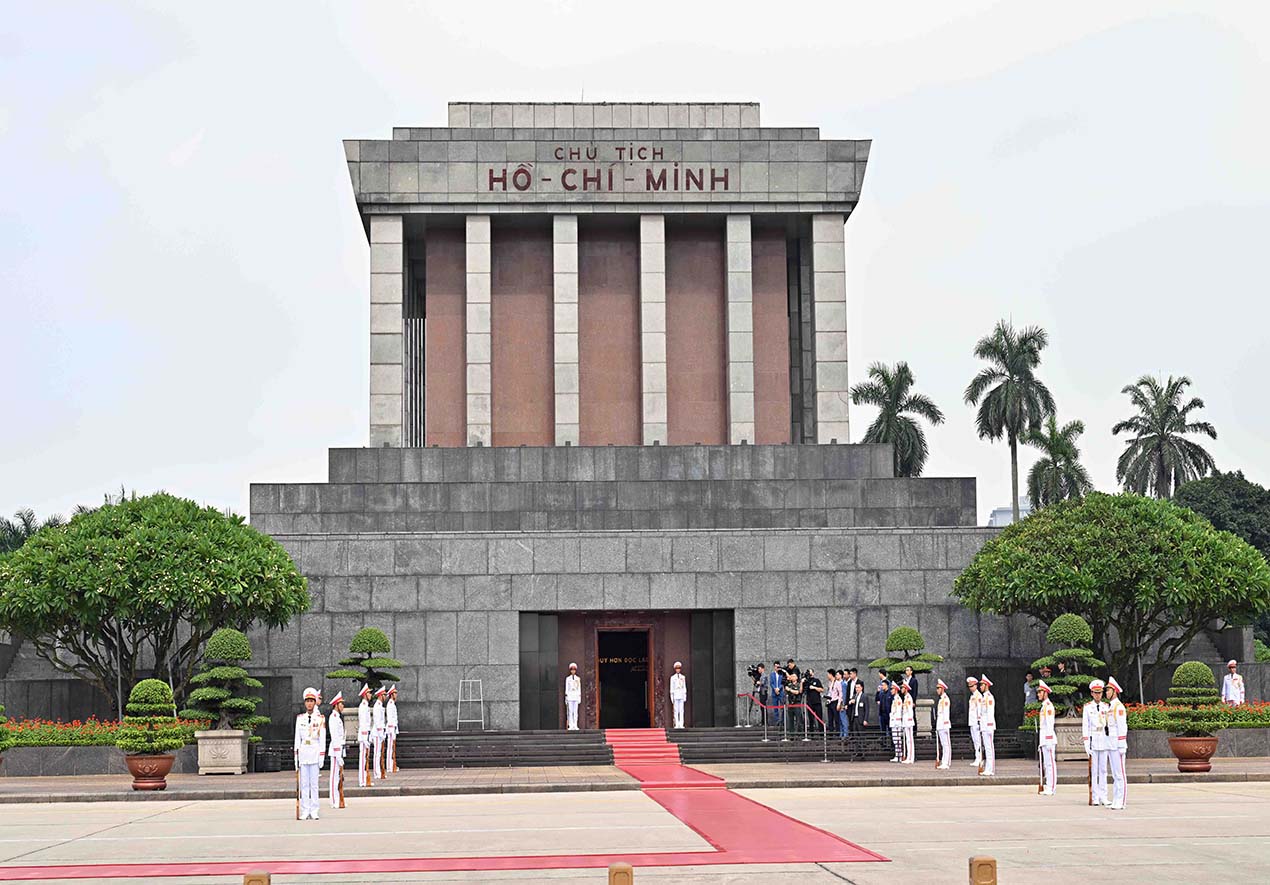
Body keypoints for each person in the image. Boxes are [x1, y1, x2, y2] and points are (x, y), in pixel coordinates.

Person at [293, 687, 326, 820]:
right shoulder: (300, 718)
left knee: (314, 784)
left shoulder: (320, 719)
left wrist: (322, 756)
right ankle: (305, 810)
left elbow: (322, 738)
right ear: (305, 703)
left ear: (315, 702)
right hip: (303, 754)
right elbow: (297, 738)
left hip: (314, 753)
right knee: (304, 785)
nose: (309, 703)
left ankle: (314, 810)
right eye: (307, 701)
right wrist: (296, 757)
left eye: (312, 701)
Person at [1083, 678, 1112, 806]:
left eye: (1100, 692)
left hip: (1104, 739)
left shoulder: (1107, 706)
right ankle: (1094, 796)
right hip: (1093, 740)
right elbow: (1085, 726)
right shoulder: (1088, 707)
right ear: (1091, 693)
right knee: (1094, 771)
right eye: (1095, 693)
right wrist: (1086, 743)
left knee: (1103, 770)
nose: (1098, 695)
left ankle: (1103, 796)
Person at [1105, 677, 1128, 809]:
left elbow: (1122, 726)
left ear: (1114, 691)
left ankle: (1121, 801)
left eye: (1108, 690)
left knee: (1120, 774)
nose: (1106, 693)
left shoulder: (1119, 707)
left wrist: (1121, 743)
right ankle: (1115, 799)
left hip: (1118, 743)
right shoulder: (1111, 706)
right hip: (1111, 743)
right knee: (1114, 773)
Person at [1036, 680, 1056, 795]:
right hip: (1044, 739)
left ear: (1045, 693)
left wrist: (1048, 740)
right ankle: (1048, 786)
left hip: (1048, 739)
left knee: (1050, 764)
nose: (1038, 694)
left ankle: (1051, 787)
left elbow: (1049, 724)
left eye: (1040, 692)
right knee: (1046, 764)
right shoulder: (1044, 706)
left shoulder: (1048, 706)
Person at [327, 691, 346, 809]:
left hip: (339, 750)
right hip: (335, 751)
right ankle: (334, 800)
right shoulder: (333, 718)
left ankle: (338, 798)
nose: (343, 706)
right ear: (336, 705)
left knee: (338, 777)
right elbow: (334, 737)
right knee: (334, 776)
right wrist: (338, 755)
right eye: (341, 704)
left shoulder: (337, 717)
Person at [978, 675, 996, 776]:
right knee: (986, 747)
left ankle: (990, 769)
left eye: (982, 685)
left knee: (989, 748)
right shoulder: (984, 697)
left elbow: (990, 712)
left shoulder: (989, 697)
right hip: (984, 726)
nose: (980, 687)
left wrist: (989, 725)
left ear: (986, 685)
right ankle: (987, 768)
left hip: (988, 726)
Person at [356, 683, 373, 787]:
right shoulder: (362, 706)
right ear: (365, 694)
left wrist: (369, 734)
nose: (371, 695)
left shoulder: (365, 705)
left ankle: (366, 779)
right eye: (369, 693)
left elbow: (368, 723)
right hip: (363, 736)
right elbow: (362, 723)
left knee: (366, 758)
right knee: (363, 758)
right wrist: (364, 737)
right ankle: (362, 780)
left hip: (366, 734)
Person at [966, 676, 983, 771]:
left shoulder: (978, 696)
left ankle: (979, 758)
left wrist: (979, 721)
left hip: (976, 721)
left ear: (976, 685)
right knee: (975, 741)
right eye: (969, 686)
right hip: (972, 721)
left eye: (972, 686)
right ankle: (977, 757)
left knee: (978, 741)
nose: (970, 688)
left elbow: (979, 709)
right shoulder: (972, 696)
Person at [934, 679, 951, 770]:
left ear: (942, 689)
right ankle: (943, 761)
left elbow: (946, 713)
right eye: (937, 688)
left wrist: (945, 723)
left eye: (938, 688)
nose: (937, 690)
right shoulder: (941, 700)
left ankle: (946, 762)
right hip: (940, 724)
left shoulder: (945, 699)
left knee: (946, 744)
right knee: (943, 744)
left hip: (944, 724)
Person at [371, 686, 387, 781]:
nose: (385, 696)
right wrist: (381, 733)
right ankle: (377, 772)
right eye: (384, 695)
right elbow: (377, 721)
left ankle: (379, 771)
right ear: (381, 695)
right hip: (377, 733)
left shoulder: (380, 705)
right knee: (377, 754)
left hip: (380, 732)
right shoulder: (377, 706)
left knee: (379, 753)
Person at [802, 668, 824, 734]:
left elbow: (822, 689)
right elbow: (802, 690)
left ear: (813, 673)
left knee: (819, 718)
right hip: (809, 703)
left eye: (810, 672)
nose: (809, 673)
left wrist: (814, 687)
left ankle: (822, 733)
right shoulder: (806, 681)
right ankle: (811, 734)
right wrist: (802, 682)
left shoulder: (816, 680)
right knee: (811, 719)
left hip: (817, 702)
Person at [899, 681, 916, 764]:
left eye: (902, 688)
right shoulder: (906, 698)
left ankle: (911, 757)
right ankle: (908, 756)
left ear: (906, 689)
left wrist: (909, 719)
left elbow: (910, 710)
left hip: (908, 721)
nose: (901, 689)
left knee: (910, 740)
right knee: (908, 740)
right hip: (905, 721)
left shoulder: (909, 698)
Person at [888, 681, 904, 762]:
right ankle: (897, 755)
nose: (891, 690)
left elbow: (898, 712)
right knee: (895, 739)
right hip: (893, 722)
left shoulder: (898, 699)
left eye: (892, 689)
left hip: (896, 722)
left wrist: (897, 722)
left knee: (897, 739)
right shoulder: (894, 699)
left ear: (896, 690)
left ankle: (899, 755)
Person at [385, 684, 399, 774]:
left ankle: (391, 765)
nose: (396, 695)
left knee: (391, 748)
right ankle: (389, 766)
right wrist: (391, 730)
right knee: (390, 748)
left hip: (393, 728)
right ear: (391, 694)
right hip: (391, 729)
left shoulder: (392, 704)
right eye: (395, 693)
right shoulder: (390, 705)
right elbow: (390, 719)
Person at [670, 661, 687, 728]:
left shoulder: (683, 677)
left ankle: (681, 724)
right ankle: (677, 724)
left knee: (681, 710)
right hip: (676, 694)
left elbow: (684, 687)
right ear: (675, 669)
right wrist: (672, 696)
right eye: (677, 668)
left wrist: (685, 695)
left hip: (681, 694)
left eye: (679, 668)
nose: (678, 669)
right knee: (676, 710)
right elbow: (672, 687)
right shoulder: (673, 677)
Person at [565, 662, 582, 730]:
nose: (573, 671)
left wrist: (579, 697)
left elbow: (579, 688)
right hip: (570, 696)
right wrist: (566, 697)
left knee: (575, 711)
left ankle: (575, 724)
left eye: (574, 670)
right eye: (572, 670)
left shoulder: (578, 679)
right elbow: (567, 688)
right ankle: (571, 725)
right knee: (570, 711)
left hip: (576, 695)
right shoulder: (568, 679)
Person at [875, 671, 892, 738]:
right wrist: (878, 692)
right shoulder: (881, 693)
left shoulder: (890, 694)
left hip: (888, 713)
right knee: (883, 730)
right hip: (882, 713)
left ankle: (891, 744)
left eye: (883, 685)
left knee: (890, 730)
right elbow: (877, 698)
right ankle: (884, 745)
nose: (882, 686)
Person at [767, 661, 784, 726]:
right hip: (774, 693)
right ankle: (777, 721)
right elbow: (771, 683)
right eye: (776, 666)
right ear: (774, 667)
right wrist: (775, 689)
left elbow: (783, 683)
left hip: (781, 692)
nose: (777, 668)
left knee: (782, 708)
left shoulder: (782, 674)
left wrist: (778, 688)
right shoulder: (772, 674)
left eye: (778, 666)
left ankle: (782, 721)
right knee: (775, 708)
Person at [825, 670, 840, 737]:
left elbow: (840, 694)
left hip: (835, 701)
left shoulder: (837, 683)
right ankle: (830, 733)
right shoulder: (829, 683)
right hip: (830, 702)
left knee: (836, 719)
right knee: (830, 718)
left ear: (831, 674)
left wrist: (839, 703)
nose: (827, 676)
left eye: (828, 674)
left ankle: (837, 733)